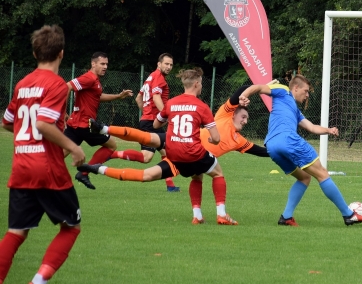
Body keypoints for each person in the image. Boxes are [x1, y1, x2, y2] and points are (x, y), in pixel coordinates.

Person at [93, 83, 273, 224]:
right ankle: (216, 214)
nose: (246, 121)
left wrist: (281, 152)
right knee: (151, 142)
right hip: (188, 147)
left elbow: (262, 152)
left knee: (187, 175)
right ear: (233, 114)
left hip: (185, 152)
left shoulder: (240, 141)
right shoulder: (224, 115)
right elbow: (240, 91)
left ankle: (197, 216)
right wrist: (253, 90)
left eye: (247, 118)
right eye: (243, 116)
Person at [79, 68, 239, 225]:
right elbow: (217, 139)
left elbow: (156, 124)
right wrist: (212, 140)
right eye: (202, 84)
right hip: (193, 152)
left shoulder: (171, 103)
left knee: (153, 171)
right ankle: (222, 214)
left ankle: (101, 149)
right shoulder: (202, 106)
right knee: (217, 174)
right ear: (197, 84)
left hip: (174, 152)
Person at [0, 25, 86, 284]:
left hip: (21, 167)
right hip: (47, 168)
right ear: (61, 53)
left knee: (16, 232)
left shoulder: (23, 83)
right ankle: (37, 282)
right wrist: (73, 147)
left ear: (35, 54)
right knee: (71, 227)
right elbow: (42, 124)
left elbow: (6, 122)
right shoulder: (57, 85)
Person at [238, 74, 362, 226]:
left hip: (272, 147)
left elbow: (312, 127)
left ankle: (286, 217)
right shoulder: (282, 90)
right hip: (288, 140)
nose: (307, 95)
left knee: (304, 178)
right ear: (295, 88)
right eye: (306, 91)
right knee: (322, 174)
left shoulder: (294, 110)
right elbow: (259, 87)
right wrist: (244, 96)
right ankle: (348, 215)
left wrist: (329, 130)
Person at [110, 53, 180, 192]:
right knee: (146, 157)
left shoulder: (150, 77)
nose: (169, 67)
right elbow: (156, 98)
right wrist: (165, 116)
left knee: (168, 152)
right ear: (158, 64)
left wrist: (147, 113)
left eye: (171, 65)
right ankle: (111, 155)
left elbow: (138, 98)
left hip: (149, 121)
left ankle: (170, 185)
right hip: (151, 123)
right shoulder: (159, 78)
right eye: (166, 64)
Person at [63, 52, 133, 190]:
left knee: (58, 155)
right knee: (112, 145)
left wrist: (118, 96)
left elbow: (97, 96)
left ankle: (35, 175)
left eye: (106, 64)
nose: (105, 66)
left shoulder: (94, 81)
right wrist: (62, 111)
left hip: (75, 124)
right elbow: (67, 87)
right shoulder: (89, 78)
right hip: (85, 125)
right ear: (93, 64)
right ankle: (83, 173)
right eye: (102, 64)